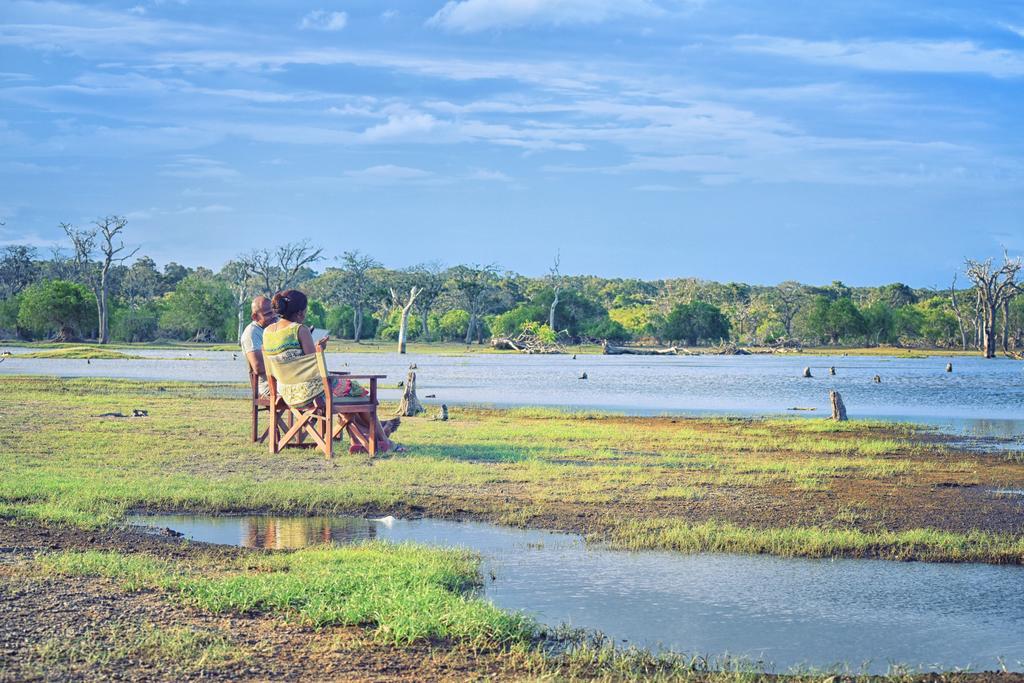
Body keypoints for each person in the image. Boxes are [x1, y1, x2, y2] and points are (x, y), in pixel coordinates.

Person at [262, 289, 402, 454]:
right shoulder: (300, 330)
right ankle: (384, 442)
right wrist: (320, 350)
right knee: (361, 394)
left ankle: (360, 440)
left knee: (350, 394)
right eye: (305, 311)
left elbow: (298, 363)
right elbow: (313, 365)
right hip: (311, 394)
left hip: (285, 393)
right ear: (300, 313)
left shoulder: (267, 332)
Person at [240, 295, 277, 397]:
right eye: (268, 314)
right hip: (269, 386)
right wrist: (287, 363)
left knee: (321, 383)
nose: (274, 316)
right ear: (255, 317)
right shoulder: (251, 334)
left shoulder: (275, 326)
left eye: (274, 311)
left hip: (286, 380)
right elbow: (258, 367)